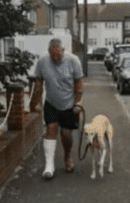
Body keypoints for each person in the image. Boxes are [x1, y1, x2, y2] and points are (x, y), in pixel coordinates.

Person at [33, 38, 84, 179]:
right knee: (50, 130)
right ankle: (49, 166)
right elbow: (38, 82)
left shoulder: (73, 61)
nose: (55, 57)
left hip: (68, 105)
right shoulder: (43, 61)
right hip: (51, 103)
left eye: (58, 54)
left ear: (63, 50)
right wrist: (37, 102)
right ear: (49, 52)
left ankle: (67, 157)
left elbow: (78, 83)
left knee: (66, 134)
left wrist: (78, 103)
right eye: (52, 54)